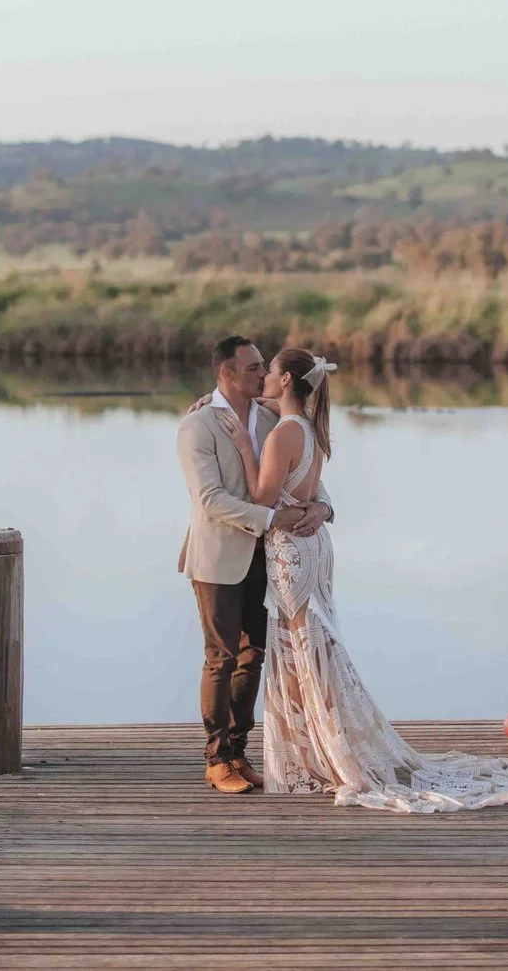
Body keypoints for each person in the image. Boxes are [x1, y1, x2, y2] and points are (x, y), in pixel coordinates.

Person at [251, 344, 508, 812]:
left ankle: (330, 754)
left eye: (271, 372)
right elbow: (294, 471)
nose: (263, 377)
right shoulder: (306, 425)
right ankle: (318, 750)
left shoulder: (281, 435)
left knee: (303, 647)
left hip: (289, 552)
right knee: (313, 645)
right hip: (314, 548)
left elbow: (263, 498)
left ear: (285, 381)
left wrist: (244, 446)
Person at [176, 335, 330, 794]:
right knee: (220, 659)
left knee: (254, 656)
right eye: (252, 368)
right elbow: (210, 500)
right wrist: (270, 518)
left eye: (264, 366)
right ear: (225, 373)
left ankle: (240, 753)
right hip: (218, 558)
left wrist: (323, 508)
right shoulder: (197, 426)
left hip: (271, 558)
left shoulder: (271, 418)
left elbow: (301, 476)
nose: (263, 375)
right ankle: (216, 758)